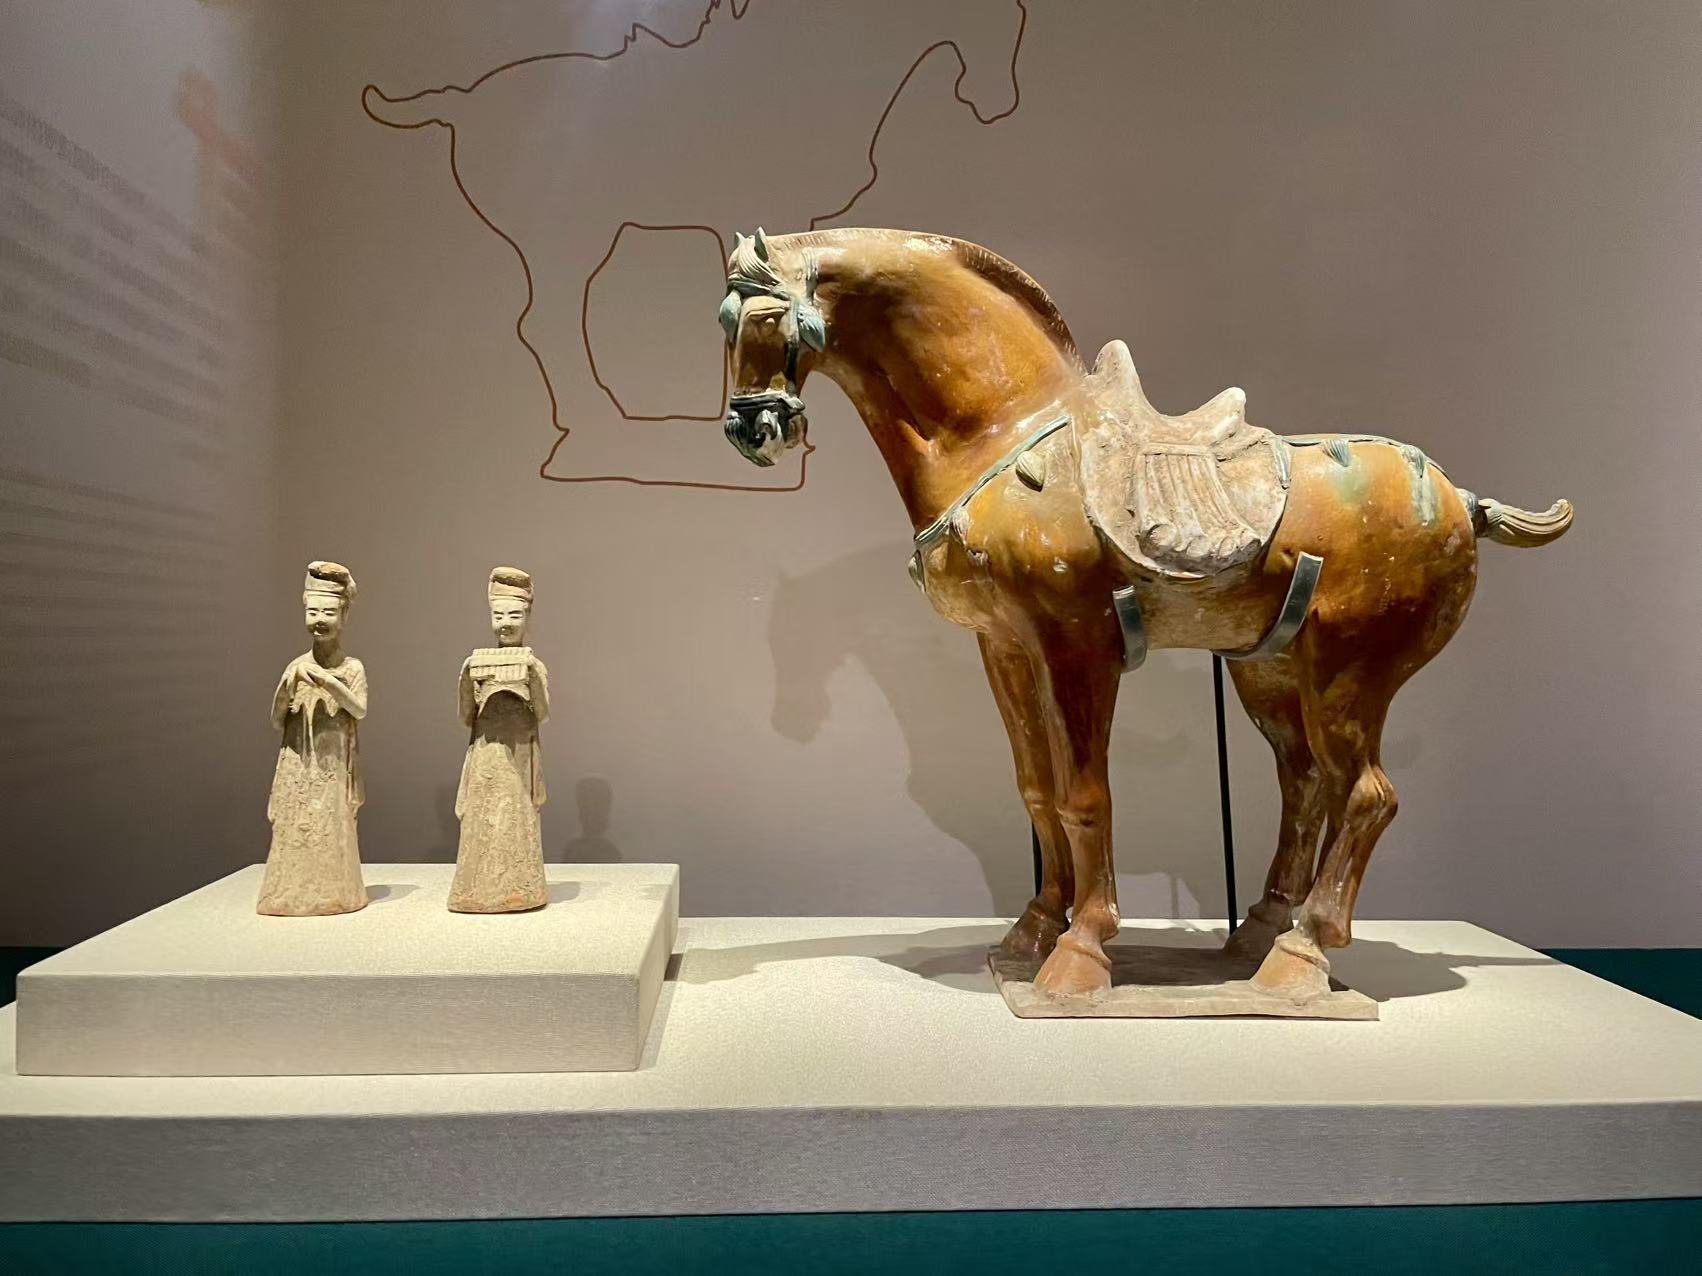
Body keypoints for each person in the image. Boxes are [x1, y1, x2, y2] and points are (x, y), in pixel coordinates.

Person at [257, 561, 369, 916]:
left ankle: (336, 893)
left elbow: (360, 709)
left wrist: (331, 683)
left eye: (328, 612)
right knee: (297, 826)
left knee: (331, 826)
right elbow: (277, 719)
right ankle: (289, 894)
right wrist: (288, 683)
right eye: (313, 612)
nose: (320, 620)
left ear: (344, 614)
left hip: (333, 766)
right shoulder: (296, 667)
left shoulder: (352, 668)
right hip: (299, 766)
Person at [449, 566, 550, 912]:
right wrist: (465, 679)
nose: (505, 623)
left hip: (518, 758)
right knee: (482, 820)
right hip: (486, 755)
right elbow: (466, 717)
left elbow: (543, 713)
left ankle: (520, 888)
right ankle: (476, 891)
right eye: (498, 616)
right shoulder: (477, 664)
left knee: (516, 819)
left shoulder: (533, 664)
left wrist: (532, 677)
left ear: (527, 617)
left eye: (514, 615)